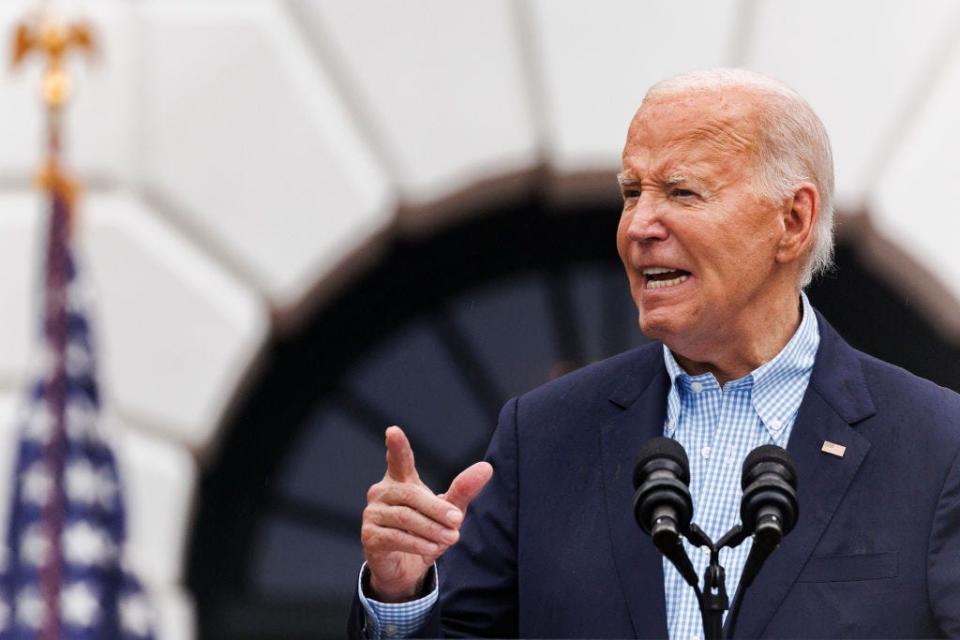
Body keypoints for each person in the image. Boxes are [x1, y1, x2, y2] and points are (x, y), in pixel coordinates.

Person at [347, 68, 960, 638]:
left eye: (682, 192)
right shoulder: (542, 435)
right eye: (632, 191)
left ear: (793, 221)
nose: (639, 224)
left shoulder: (937, 445)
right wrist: (400, 593)